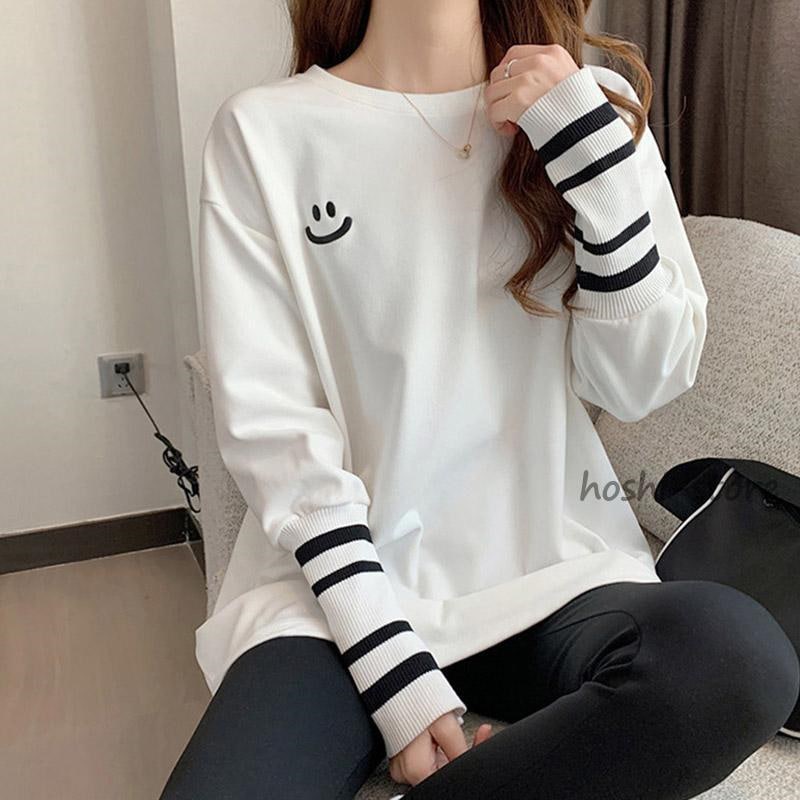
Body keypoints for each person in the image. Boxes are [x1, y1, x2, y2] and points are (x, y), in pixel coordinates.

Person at [160, 1, 800, 797]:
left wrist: (594, 169)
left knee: (735, 659)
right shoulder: (263, 132)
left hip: (551, 578)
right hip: (334, 606)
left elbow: (639, 382)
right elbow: (275, 427)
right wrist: (392, 667)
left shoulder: (586, 105)